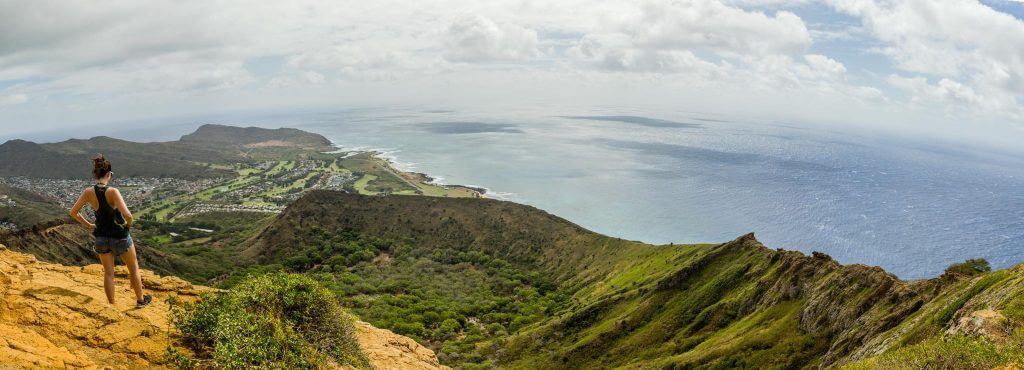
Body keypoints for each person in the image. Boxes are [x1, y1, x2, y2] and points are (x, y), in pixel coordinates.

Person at [69, 154, 152, 308]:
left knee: (109, 273)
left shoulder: (88, 192)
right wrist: (128, 225)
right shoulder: (113, 192)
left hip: (101, 236)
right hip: (119, 236)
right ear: (109, 174)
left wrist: (89, 225)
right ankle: (140, 300)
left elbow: (73, 212)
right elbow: (128, 215)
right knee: (133, 268)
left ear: (96, 174)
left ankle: (112, 306)